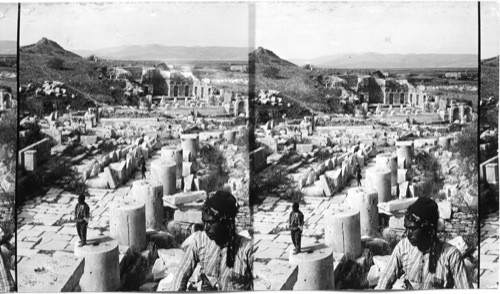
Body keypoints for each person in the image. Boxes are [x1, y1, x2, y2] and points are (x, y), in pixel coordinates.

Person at [375, 197, 472, 290]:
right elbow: (385, 278)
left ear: (427, 229)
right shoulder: (403, 247)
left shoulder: (451, 256)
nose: (407, 234)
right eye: (406, 228)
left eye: (412, 229)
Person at [172, 191, 253, 291]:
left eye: (210, 222)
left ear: (226, 223)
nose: (206, 228)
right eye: (204, 222)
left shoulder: (246, 250)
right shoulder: (200, 240)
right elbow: (181, 273)